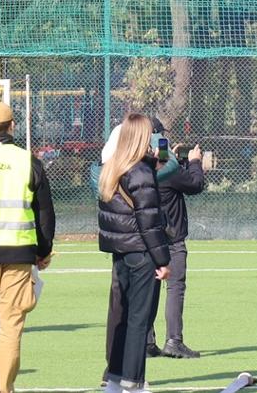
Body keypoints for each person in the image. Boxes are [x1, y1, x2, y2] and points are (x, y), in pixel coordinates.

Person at [98, 114, 171, 393]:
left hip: (122, 253)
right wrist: (163, 261)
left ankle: (115, 381)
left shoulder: (114, 168)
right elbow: (149, 221)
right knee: (140, 321)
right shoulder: (139, 173)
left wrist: (153, 163)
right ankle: (133, 383)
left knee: (124, 317)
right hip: (142, 254)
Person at [0, 100, 54, 393]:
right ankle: (3, 387)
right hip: (19, 254)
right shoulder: (29, 161)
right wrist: (44, 249)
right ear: (12, 126)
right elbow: (45, 212)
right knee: (11, 323)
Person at [144, 118, 204, 360]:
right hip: (172, 237)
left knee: (148, 289)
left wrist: (173, 160)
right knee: (175, 287)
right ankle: (174, 340)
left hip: (147, 237)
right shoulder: (167, 170)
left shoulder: (137, 168)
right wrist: (194, 162)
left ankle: (147, 341)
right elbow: (195, 184)